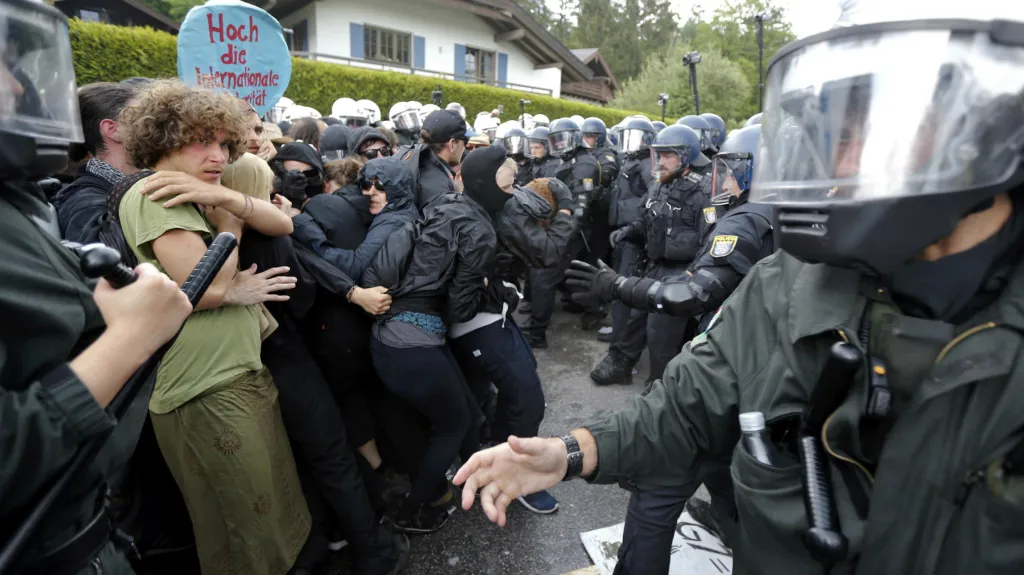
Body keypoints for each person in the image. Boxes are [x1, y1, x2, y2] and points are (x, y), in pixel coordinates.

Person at [456, 6, 1024, 575]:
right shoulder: (793, 282)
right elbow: (682, 412)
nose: (842, 166)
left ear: (984, 133)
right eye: (836, 136)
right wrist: (568, 452)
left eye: (877, 132)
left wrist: (623, 283)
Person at [0, 4, 193, 573]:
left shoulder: (19, 202)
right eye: (4, 64)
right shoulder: (89, 196)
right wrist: (130, 337)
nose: (19, 85)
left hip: (87, 527)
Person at [116, 80, 307, 575]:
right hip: (201, 384)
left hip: (227, 373)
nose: (219, 155)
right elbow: (206, 285)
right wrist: (230, 223)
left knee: (258, 516)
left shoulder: (192, 190)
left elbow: (283, 224)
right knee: (244, 527)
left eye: (225, 143)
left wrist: (220, 196)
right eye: (203, 140)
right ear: (164, 138)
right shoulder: (154, 193)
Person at [565, 125, 771, 572]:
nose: (723, 178)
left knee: (656, 489)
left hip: (724, 369)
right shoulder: (794, 217)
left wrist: (616, 285)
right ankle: (729, 523)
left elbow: (692, 293)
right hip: (757, 371)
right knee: (727, 465)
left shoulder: (746, 219)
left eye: (731, 168)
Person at [223, 154, 410, 575]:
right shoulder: (263, 237)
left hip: (253, 368)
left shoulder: (222, 236)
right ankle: (373, 551)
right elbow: (304, 286)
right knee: (330, 455)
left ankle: (321, 543)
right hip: (287, 358)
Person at [362, 125, 493, 534]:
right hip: (408, 347)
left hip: (398, 339)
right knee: (455, 423)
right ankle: (412, 512)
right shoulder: (477, 229)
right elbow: (458, 307)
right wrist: (482, 287)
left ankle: (478, 478)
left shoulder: (436, 210)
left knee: (467, 411)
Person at [449, 146, 578, 515]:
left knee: (490, 392)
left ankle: (489, 456)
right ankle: (514, 474)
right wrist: (566, 211)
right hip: (478, 318)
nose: (513, 192)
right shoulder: (494, 210)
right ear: (484, 184)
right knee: (526, 394)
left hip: (489, 311)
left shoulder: (476, 200)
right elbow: (547, 253)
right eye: (507, 186)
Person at [591, 124, 711, 386]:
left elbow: (710, 238)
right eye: (659, 155)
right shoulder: (660, 184)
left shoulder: (705, 191)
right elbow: (649, 219)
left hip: (681, 271)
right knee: (633, 318)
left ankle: (660, 386)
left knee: (662, 334)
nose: (661, 161)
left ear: (686, 156)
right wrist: (629, 231)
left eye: (669, 155)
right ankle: (620, 364)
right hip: (653, 264)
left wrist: (693, 273)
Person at [522, 118, 600, 348]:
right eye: (554, 141)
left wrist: (559, 234)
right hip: (560, 225)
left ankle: (537, 332)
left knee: (545, 275)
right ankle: (591, 309)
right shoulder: (565, 161)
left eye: (561, 140)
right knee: (565, 274)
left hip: (573, 230)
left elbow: (581, 205)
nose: (558, 145)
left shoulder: (585, 163)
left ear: (575, 138)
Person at [52, 81, 138, 244]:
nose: (153, 127)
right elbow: (106, 258)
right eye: (142, 119)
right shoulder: (87, 204)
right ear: (112, 129)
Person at [598, 117, 658, 344]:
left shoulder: (647, 164)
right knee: (619, 279)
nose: (631, 142)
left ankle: (620, 335)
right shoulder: (631, 161)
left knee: (625, 283)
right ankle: (618, 327)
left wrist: (635, 219)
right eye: (628, 137)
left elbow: (654, 195)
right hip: (624, 231)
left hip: (634, 235)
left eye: (637, 137)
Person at [581, 117, 620, 327]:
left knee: (596, 259)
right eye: (584, 136)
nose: (586, 140)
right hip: (586, 214)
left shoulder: (606, 154)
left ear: (599, 138)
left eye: (590, 137)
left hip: (600, 216)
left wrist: (590, 178)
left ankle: (596, 309)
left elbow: (606, 172)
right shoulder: (584, 154)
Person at [396, 109, 466, 211]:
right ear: (452, 144)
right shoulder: (439, 187)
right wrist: (459, 197)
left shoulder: (413, 159)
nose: (465, 147)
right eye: (465, 141)